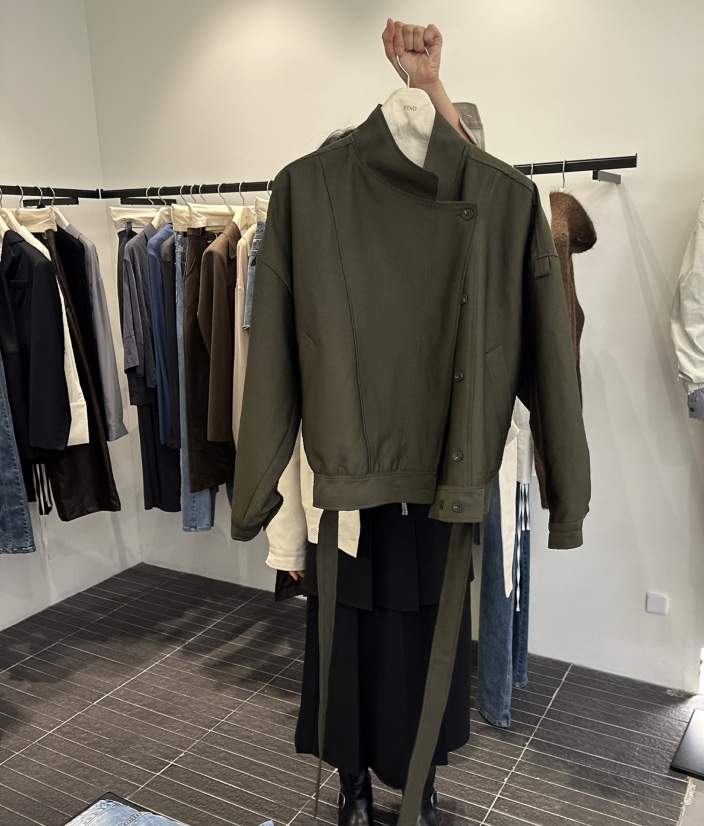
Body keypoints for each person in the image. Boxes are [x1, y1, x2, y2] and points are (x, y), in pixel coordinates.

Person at [287, 20, 477, 826]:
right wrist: (287, 537)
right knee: (349, 647)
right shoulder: (317, 237)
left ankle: (419, 783)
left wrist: (427, 85)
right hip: (349, 499)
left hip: (431, 489)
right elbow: (291, 392)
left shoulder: (448, 239)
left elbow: (475, 179)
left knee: (429, 640)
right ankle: (355, 787)